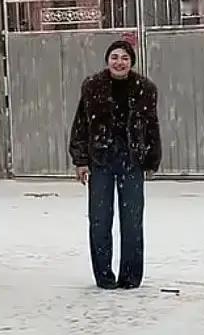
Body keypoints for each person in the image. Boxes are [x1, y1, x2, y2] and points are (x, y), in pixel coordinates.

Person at [69, 38, 162, 290]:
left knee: (132, 221)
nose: (119, 62)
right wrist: (80, 160)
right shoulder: (92, 86)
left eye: (124, 58)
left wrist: (151, 159)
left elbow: (151, 127)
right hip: (101, 161)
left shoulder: (145, 88)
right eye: (114, 57)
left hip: (132, 161)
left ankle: (130, 276)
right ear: (107, 60)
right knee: (100, 220)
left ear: (131, 62)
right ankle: (104, 276)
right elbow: (81, 126)